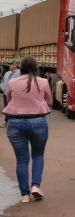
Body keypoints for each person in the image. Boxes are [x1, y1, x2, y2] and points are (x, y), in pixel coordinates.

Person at [2, 56, 51, 203]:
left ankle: (24, 195)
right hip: (38, 122)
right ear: (36, 68)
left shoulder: (12, 82)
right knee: (38, 155)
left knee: (21, 160)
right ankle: (35, 186)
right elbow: (48, 101)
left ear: (20, 67)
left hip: (15, 123)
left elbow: (9, 99)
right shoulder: (43, 82)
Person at [1, 59, 22, 128]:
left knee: (14, 108)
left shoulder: (19, 73)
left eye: (11, 64)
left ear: (15, 65)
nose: (9, 65)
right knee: (6, 108)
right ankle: (7, 122)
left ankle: (14, 123)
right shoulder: (7, 73)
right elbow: (3, 80)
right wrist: (2, 87)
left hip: (14, 94)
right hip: (5, 93)